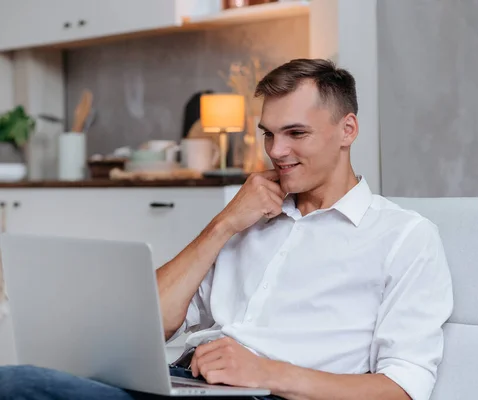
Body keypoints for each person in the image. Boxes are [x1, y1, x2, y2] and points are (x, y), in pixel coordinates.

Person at [0, 58, 453, 400]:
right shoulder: (249, 217)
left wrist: (265, 372)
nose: (276, 151)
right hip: (184, 385)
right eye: (268, 134)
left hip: (267, 396)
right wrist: (223, 224)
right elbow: (149, 323)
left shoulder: (404, 238)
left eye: (296, 133)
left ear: (347, 129)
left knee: (19, 386)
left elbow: (403, 388)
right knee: (21, 382)